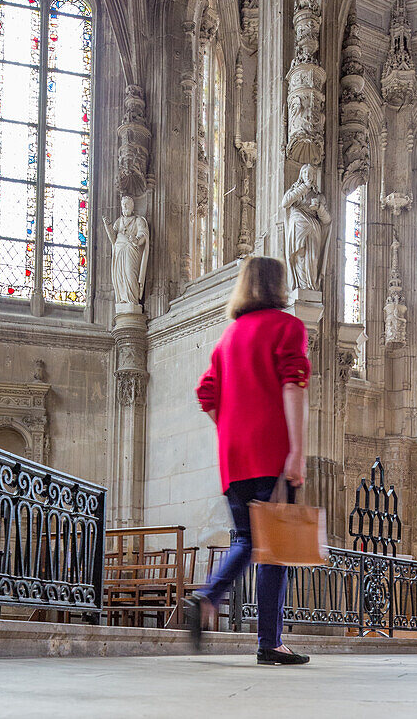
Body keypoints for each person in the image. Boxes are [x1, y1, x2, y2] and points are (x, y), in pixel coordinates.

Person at [187, 255, 311, 666]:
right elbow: (293, 385)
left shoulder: (229, 337)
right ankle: (270, 642)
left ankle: (209, 594)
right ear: (279, 286)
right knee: (274, 547)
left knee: (246, 538)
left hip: (233, 456)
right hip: (272, 451)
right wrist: (295, 450)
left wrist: (232, 429)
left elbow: (206, 393)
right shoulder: (288, 327)